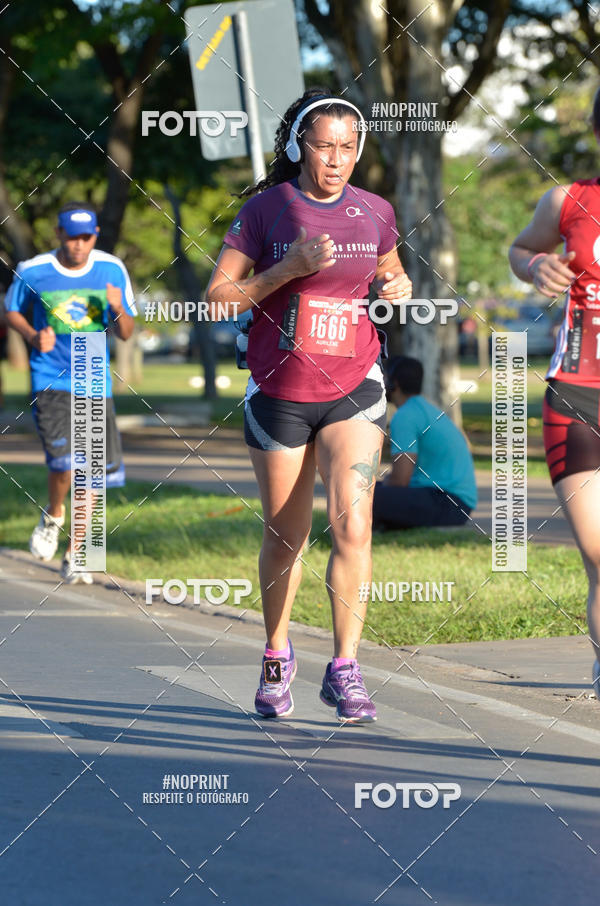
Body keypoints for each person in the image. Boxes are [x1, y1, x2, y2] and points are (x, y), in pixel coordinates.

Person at [206, 87, 412, 723]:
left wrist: (397, 287)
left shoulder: (376, 211)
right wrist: (288, 268)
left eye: (349, 148)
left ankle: (346, 667)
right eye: (325, 146)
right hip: (280, 393)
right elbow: (220, 298)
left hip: (355, 387)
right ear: (300, 146)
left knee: (354, 525)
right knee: (286, 535)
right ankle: (275, 656)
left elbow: (389, 276)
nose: (337, 159)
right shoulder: (266, 211)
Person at [508, 91, 600, 701]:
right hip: (576, 394)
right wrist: (535, 264)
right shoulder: (567, 200)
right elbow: (520, 250)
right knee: (598, 551)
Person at [5, 201, 136, 584]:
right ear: (58, 234)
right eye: (71, 236)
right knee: (64, 463)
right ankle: (54, 512)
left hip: (93, 375)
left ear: (94, 236)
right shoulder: (35, 271)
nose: (79, 245)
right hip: (50, 379)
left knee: (91, 471)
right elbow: (11, 309)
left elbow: (127, 331)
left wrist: (117, 309)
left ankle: (77, 551)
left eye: (86, 237)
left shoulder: (111, 268)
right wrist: (32, 334)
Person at [372, 356, 477, 529]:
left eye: (385, 378)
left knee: (359, 497)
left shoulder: (405, 416)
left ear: (394, 383)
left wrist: (378, 489)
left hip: (447, 502)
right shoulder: (423, 408)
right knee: (371, 492)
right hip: (457, 502)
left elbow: (401, 479)